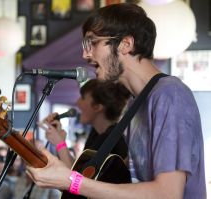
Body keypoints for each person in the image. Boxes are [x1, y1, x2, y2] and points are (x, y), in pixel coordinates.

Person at [26, 3, 206, 199]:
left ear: (125, 44)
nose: (85, 54)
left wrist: (72, 181)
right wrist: (62, 172)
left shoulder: (170, 94)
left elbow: (168, 194)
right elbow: (121, 185)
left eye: (92, 43)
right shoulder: (134, 106)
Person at [40, 79, 130, 168]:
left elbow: (76, 180)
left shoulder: (112, 141)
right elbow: (79, 169)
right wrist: (60, 141)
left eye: (83, 97)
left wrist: (60, 144)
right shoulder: (97, 133)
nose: (77, 102)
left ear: (97, 107)